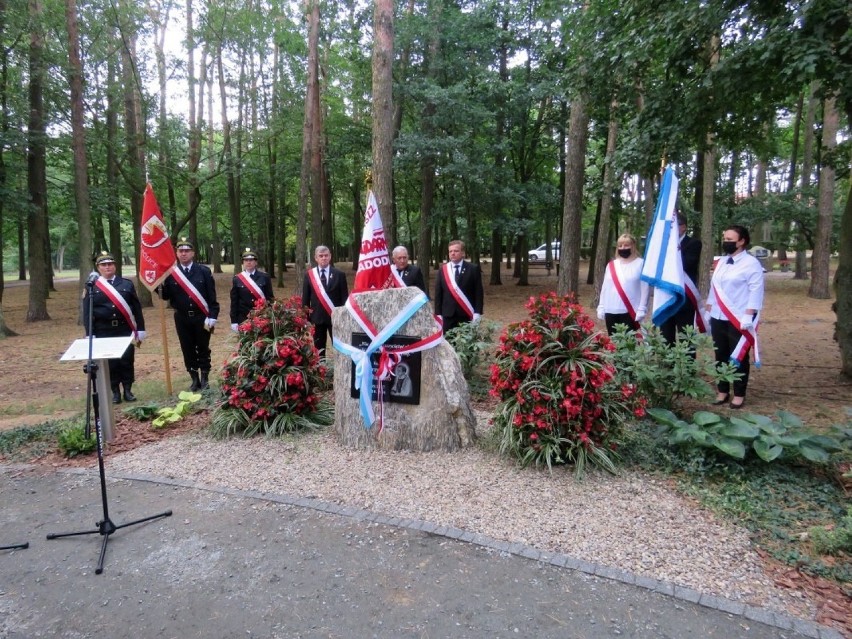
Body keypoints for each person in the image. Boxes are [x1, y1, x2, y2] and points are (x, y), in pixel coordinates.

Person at [705, 225, 764, 409]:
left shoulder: (751, 264)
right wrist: (709, 309)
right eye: (725, 238)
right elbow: (715, 289)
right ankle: (722, 390)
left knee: (738, 356)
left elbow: (756, 290)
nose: (726, 242)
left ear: (742, 241)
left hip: (739, 317)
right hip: (718, 315)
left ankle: (739, 393)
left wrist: (749, 315)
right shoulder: (721, 261)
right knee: (720, 354)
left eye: (730, 240)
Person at [83, 251, 146, 404]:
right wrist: (89, 333)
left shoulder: (126, 284)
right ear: (98, 268)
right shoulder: (92, 286)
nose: (107, 267)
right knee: (110, 362)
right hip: (104, 330)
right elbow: (87, 312)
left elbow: (136, 308)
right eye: (103, 265)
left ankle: (128, 390)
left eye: (110, 264)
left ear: (115, 266)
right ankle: (115, 392)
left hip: (125, 329)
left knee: (126, 360)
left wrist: (141, 329)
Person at [160, 238, 220, 391]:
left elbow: (211, 296)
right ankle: (194, 378)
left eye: (187, 251)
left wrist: (213, 316)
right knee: (187, 348)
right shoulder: (171, 273)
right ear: (177, 254)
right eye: (181, 251)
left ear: (193, 253)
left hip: (202, 316)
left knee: (203, 347)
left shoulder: (204, 271)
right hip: (182, 317)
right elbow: (165, 296)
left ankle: (205, 377)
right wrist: (157, 284)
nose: (184, 253)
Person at [660, 212, 703, 345]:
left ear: (683, 227)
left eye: (673, 226)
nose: (670, 229)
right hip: (666, 297)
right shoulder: (662, 244)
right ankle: (668, 366)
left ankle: (688, 366)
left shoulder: (693, 243)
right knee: (666, 338)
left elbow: (686, 264)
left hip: (685, 298)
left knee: (686, 339)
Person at [597, 233, 649, 336]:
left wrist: (642, 308)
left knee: (628, 346)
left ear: (633, 246)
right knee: (614, 344)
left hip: (630, 310)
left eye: (626, 245)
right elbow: (605, 288)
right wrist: (601, 306)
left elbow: (645, 288)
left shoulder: (641, 264)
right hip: (610, 310)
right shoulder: (611, 265)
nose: (623, 248)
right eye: (620, 245)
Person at [301, 245, 349, 354]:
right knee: (319, 349)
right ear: (316, 258)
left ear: (330, 257)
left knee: (339, 349)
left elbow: (344, 298)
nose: (324, 258)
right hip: (317, 318)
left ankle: (338, 370)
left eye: (326, 255)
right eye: (321, 256)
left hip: (335, 318)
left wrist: (344, 316)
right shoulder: (309, 275)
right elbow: (305, 298)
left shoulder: (339, 275)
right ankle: (321, 370)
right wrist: (306, 318)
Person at [433, 240, 484, 333]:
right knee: (449, 345)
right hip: (448, 315)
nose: (452, 253)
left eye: (456, 251)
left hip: (466, 314)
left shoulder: (473, 269)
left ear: (463, 253)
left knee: (467, 345)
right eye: (450, 251)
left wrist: (477, 312)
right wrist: (438, 314)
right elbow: (438, 294)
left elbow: (478, 293)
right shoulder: (443, 270)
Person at [230, 247, 274, 330]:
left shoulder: (265, 277)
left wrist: (271, 316)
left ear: (256, 262)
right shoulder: (237, 279)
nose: (248, 262)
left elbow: (270, 298)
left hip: (262, 317)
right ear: (243, 262)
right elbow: (234, 302)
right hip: (243, 318)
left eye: (251, 260)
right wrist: (234, 321)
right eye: (246, 260)